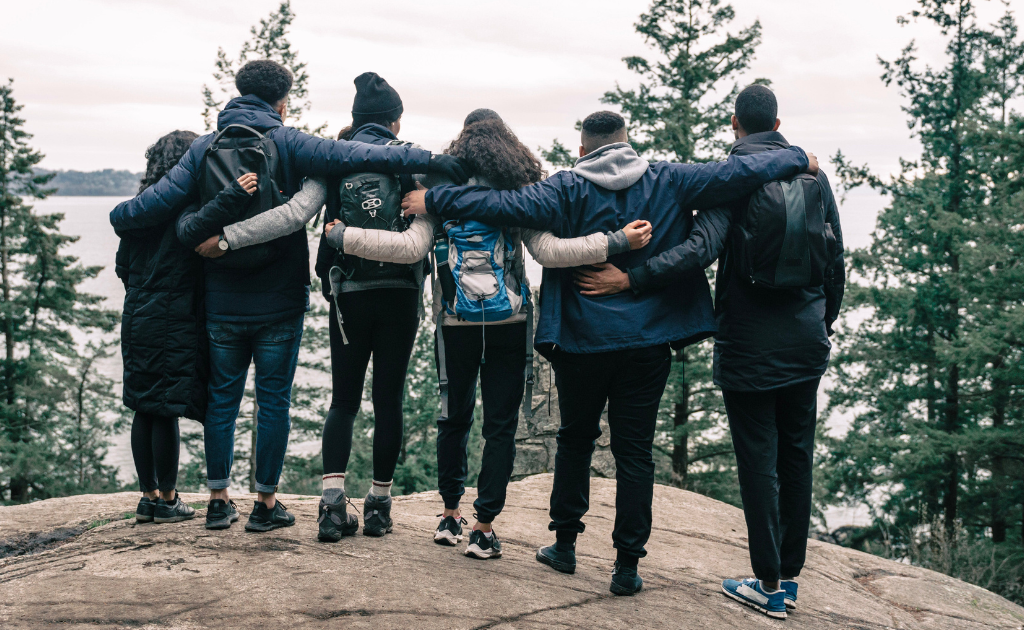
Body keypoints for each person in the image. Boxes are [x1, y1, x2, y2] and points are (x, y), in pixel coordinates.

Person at [402, 110, 818, 596]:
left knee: (575, 439)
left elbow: (501, 203)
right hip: (648, 341)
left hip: (581, 341)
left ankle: (565, 546)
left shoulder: (564, 188)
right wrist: (795, 157)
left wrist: (435, 196)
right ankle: (626, 566)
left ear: (582, 150)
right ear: (628, 143)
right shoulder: (670, 178)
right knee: (635, 453)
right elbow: (735, 172)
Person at [109, 61, 470, 533]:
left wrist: (142, 219)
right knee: (274, 400)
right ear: (283, 101)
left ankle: (217, 502)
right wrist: (425, 160)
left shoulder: (202, 148)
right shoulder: (290, 142)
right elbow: (347, 155)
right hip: (280, 298)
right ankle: (265, 505)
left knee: (223, 400)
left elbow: (136, 213)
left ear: (240, 93)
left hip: (221, 297)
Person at [320, 108, 652, 558]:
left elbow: (409, 248)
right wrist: (616, 243)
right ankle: (484, 525)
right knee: (499, 427)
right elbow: (551, 252)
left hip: (455, 323)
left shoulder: (439, 193)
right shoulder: (519, 194)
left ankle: (450, 515)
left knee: (453, 419)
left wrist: (343, 237)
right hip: (510, 323)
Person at [574, 85, 845, 618]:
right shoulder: (813, 175)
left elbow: (698, 250)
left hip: (749, 346)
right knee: (796, 457)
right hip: (806, 341)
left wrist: (631, 279)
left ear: (734, 124)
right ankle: (788, 578)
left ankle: (767, 584)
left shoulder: (736, 181)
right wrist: (823, 321)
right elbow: (834, 255)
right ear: (777, 122)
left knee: (758, 463)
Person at [114, 130, 205, 525]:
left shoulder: (140, 209)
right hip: (173, 316)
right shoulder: (186, 207)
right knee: (164, 408)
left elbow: (122, 266)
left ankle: (148, 496)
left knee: (143, 406)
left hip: (136, 313)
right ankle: (168, 499)